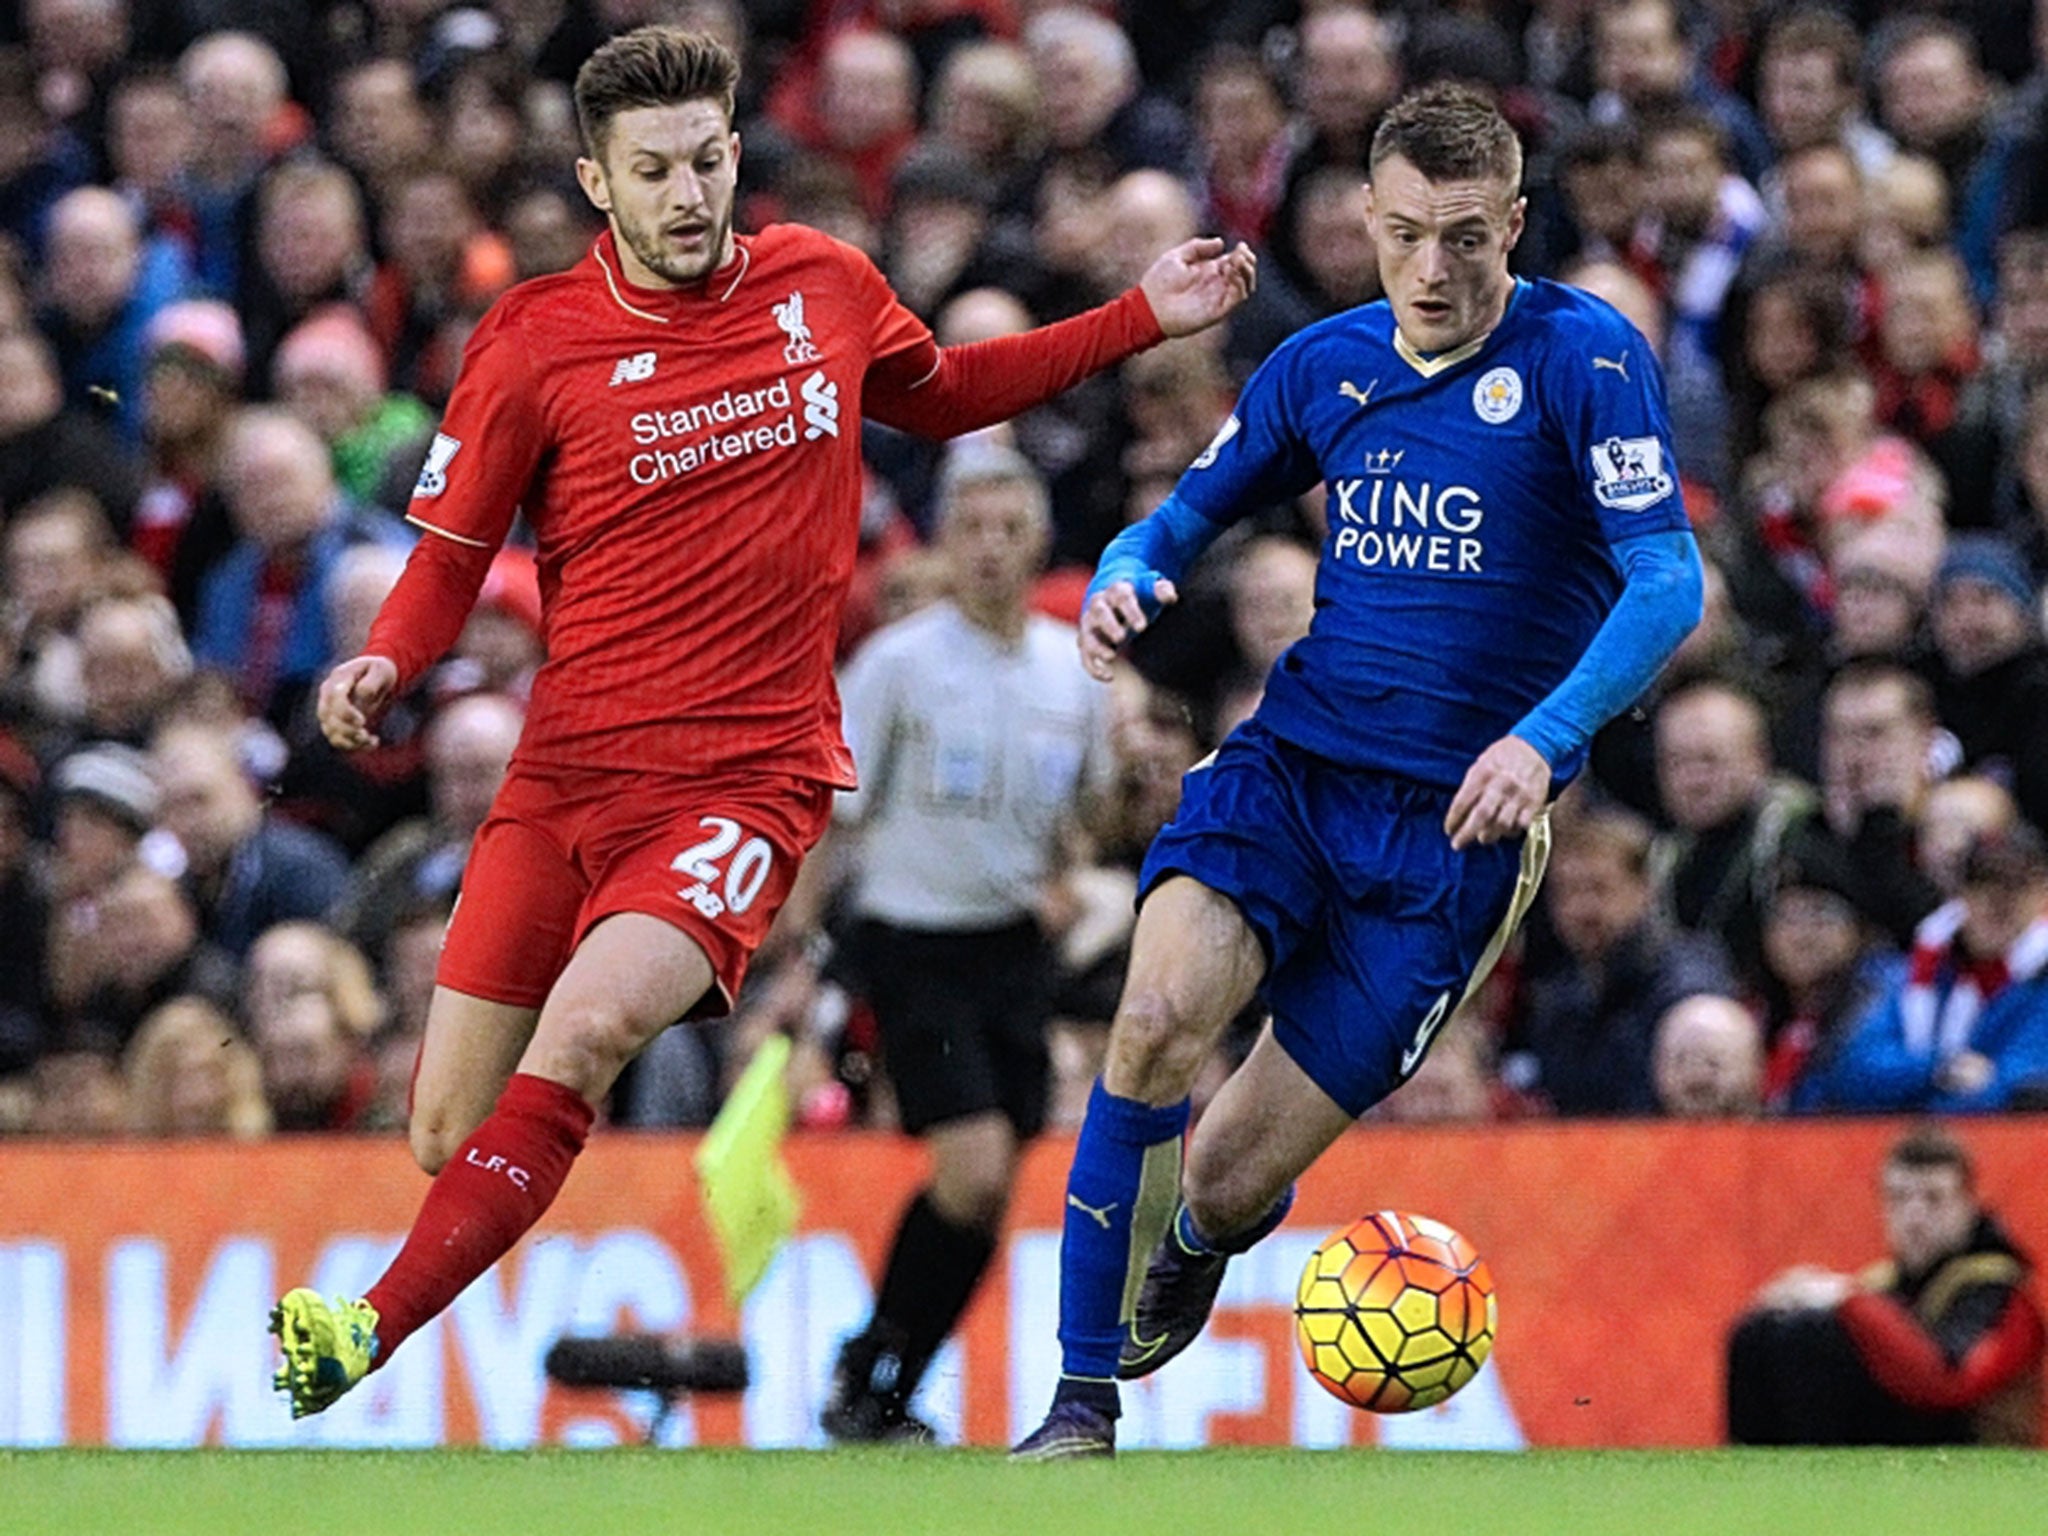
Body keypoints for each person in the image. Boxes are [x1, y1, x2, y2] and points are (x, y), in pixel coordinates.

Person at [267, 25, 1254, 1419]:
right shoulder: (533, 341)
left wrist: (1136, 315)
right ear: (596, 183)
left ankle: (360, 1330)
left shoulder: (823, 285)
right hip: (563, 783)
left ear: (737, 154)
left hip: (747, 781)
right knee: (444, 1132)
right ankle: (419, 1266)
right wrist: (385, 663)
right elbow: (444, 554)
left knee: (593, 1035)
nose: (689, 194)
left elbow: (947, 395)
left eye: (709, 160)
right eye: (654, 169)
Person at [1011, 82, 1705, 1458]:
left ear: (1513, 222)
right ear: (1364, 227)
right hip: (1292, 770)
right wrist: (1125, 575)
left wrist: (1542, 739)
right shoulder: (1322, 365)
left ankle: (1203, 1237)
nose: (1432, 270)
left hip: (1450, 837)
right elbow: (1182, 519)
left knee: (1223, 1167)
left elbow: (1667, 579)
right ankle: (1079, 1406)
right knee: (1148, 1026)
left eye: (1464, 237)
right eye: (1402, 236)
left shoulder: (1585, 358)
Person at [797, 442, 1111, 1442]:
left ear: (1038, 543)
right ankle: (867, 1362)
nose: (987, 548)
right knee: (969, 1169)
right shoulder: (898, 664)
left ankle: (886, 1382)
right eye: (969, 528)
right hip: (914, 940)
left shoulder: (1072, 673)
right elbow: (834, 811)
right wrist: (802, 941)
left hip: (1012, 949)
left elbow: (1086, 814)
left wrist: (1066, 874)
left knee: (991, 1188)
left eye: (1007, 529)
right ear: (942, 540)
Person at [1727, 1123, 2043, 1444]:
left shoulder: (1999, 1287)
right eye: (1899, 1198)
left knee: (1817, 1336)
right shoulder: (1883, 1281)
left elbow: (1947, 1380)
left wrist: (1846, 1299)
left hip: (1972, 1453)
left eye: (1934, 1199)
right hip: (1905, 1444)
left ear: (1967, 1205)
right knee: (1764, 1332)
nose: (1915, 1216)